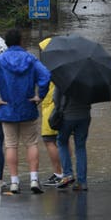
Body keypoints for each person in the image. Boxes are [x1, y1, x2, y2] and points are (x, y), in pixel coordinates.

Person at [0, 28, 51, 194]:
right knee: (31, 144)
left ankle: (14, 182)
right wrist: (39, 96)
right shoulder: (31, 59)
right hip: (28, 107)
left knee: (11, 145)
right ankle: (34, 179)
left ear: (6, 42)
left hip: (7, 109)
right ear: (21, 41)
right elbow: (46, 76)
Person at [54, 87, 92, 191]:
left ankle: (67, 174)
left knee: (62, 142)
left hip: (67, 116)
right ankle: (82, 182)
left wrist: (58, 109)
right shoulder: (90, 79)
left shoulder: (63, 76)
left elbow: (56, 98)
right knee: (80, 147)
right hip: (84, 116)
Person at [38, 38, 63, 187]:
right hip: (63, 109)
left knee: (49, 140)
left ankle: (58, 173)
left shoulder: (46, 68)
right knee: (62, 141)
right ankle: (66, 173)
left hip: (50, 108)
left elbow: (41, 88)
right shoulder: (63, 67)